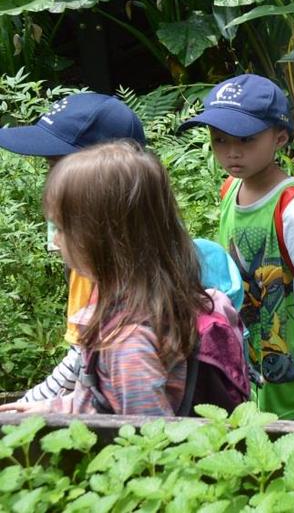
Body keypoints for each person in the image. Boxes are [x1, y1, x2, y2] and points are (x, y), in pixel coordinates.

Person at [1, 141, 238, 416]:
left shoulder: (128, 342)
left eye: (63, 229)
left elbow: (150, 441)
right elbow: (101, 399)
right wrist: (52, 407)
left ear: (101, 239)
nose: (55, 239)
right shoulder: (136, 305)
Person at [180, 74, 294, 421]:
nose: (231, 151)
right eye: (220, 139)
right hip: (247, 367)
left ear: (280, 138)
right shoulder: (229, 191)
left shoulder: (293, 210)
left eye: (246, 139)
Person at [0, 92, 146, 403]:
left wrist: (34, 407)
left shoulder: (131, 283)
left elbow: (135, 409)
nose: (50, 181)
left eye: (58, 165)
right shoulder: (93, 255)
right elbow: (82, 357)